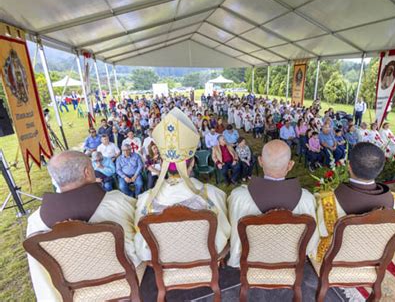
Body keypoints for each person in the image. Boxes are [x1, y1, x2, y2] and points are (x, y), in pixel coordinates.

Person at [26, 151, 139, 301]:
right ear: (87, 172)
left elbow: (41, 273)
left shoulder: (35, 222)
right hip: (122, 282)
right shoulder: (117, 202)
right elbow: (137, 246)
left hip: (74, 293)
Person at [134, 108, 230, 262]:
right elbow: (225, 230)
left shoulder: (146, 200)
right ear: (191, 164)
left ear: (164, 164)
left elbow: (140, 239)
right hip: (204, 257)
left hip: (163, 260)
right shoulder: (212, 193)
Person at [314, 143, 395, 268]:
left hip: (337, 262)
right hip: (374, 261)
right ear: (381, 168)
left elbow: (318, 239)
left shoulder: (329, 203)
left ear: (349, 166)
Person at [227, 140, 318, 267]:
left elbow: (232, 233)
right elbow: (311, 242)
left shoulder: (238, 198)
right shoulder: (307, 200)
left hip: (251, 261)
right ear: (290, 165)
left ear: (260, 161)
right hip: (291, 260)